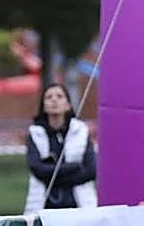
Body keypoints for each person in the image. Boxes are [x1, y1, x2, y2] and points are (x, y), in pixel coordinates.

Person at [24, 83, 97, 213]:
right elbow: (37, 169)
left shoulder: (81, 131)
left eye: (59, 96)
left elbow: (91, 170)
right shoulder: (35, 134)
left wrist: (53, 177)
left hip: (79, 208)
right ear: (43, 106)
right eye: (49, 97)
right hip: (44, 209)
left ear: (68, 105)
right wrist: (72, 167)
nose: (54, 100)